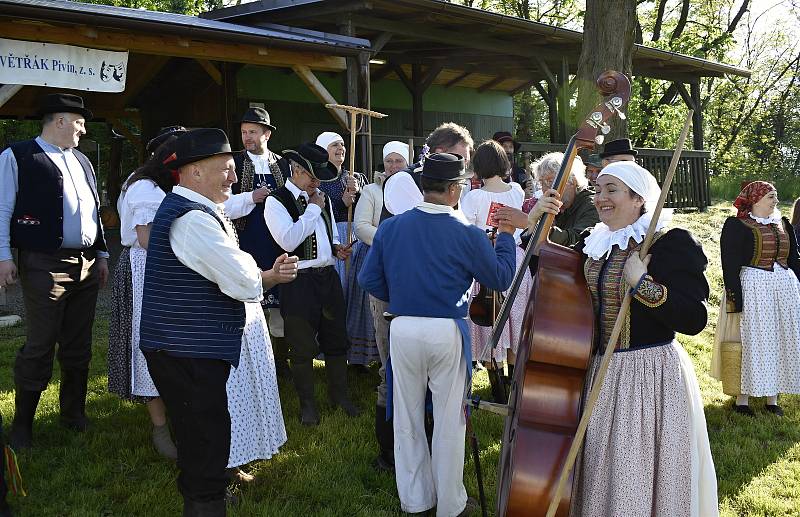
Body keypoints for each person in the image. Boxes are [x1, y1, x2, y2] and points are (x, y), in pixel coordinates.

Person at [533, 161, 716, 516]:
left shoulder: (669, 243)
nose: (600, 198)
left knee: (635, 467)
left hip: (648, 378)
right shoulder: (595, 242)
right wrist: (536, 226)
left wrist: (643, 285)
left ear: (638, 198)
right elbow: (546, 278)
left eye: (611, 190)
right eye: (598, 190)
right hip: (599, 371)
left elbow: (695, 318)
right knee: (603, 467)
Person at [138, 128, 295, 516]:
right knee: (205, 442)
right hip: (185, 350)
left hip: (183, 347)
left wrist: (252, 271)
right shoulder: (193, 220)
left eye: (232, 169)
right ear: (192, 174)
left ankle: (203, 495)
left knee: (201, 437)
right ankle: (205, 504)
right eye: (224, 169)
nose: (232, 177)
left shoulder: (198, 211)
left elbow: (234, 269)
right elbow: (241, 280)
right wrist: (264, 275)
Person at [359, 152, 516, 516]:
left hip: (403, 326)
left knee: (407, 417)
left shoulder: (391, 227)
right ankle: (450, 503)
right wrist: (506, 236)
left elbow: (370, 280)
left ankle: (415, 500)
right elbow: (501, 277)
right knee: (449, 420)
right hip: (446, 328)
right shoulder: (467, 232)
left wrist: (403, 292)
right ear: (454, 189)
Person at [0, 93, 109, 449]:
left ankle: (73, 415)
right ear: (59, 120)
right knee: (41, 342)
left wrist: (103, 254)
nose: (82, 129)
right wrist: (3, 256)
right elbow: (2, 209)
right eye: (79, 122)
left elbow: (94, 211)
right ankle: (22, 427)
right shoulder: (17, 156)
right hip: (44, 261)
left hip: (88, 263)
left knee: (79, 344)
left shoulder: (82, 161)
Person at [264, 142, 360, 426]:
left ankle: (339, 396)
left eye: (320, 178)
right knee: (302, 346)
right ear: (295, 170)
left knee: (336, 340)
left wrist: (335, 247)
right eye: (312, 176)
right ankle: (308, 405)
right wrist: (312, 210)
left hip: (328, 276)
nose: (317, 183)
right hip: (298, 280)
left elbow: (324, 231)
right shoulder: (276, 200)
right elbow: (288, 240)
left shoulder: (322, 198)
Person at [107, 126, 185, 460]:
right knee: (148, 344)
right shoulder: (143, 187)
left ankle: (178, 416)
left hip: (167, 267)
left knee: (173, 344)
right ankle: (160, 428)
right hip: (145, 270)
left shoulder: (165, 186)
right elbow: (147, 239)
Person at [714, 181, 800, 416]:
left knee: (780, 340)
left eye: (775, 196)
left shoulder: (783, 224)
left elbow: (794, 259)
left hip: (784, 291)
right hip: (754, 288)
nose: (775, 200)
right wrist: (735, 299)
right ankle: (743, 400)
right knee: (753, 341)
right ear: (756, 200)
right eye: (770, 196)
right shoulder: (736, 225)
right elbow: (729, 264)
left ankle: (773, 398)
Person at [459, 140, 532, 403]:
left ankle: (497, 388)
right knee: (515, 316)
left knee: (491, 318)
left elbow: (467, 231)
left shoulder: (474, 197)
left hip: (487, 259)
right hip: (515, 257)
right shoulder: (516, 192)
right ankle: (514, 384)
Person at [353, 140, 409, 471]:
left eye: (397, 160)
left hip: (410, 288)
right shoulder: (373, 192)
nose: (391, 166)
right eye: (387, 161)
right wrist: (389, 242)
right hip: (382, 272)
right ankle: (387, 452)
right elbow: (361, 226)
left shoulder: (415, 196)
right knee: (390, 363)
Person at [231, 107, 292, 379]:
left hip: (277, 241)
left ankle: (280, 363)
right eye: (244, 132)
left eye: (253, 132)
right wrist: (250, 198)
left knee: (280, 304)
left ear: (266, 134)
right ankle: (252, 362)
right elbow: (223, 203)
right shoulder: (233, 163)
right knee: (251, 301)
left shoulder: (283, 164)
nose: (247, 138)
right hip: (247, 240)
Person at [495, 152, 599, 248]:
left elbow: (577, 242)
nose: (545, 189)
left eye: (550, 181)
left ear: (573, 181)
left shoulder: (593, 205)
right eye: (541, 183)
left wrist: (529, 222)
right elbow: (532, 249)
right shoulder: (556, 204)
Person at [382, 122, 474, 217]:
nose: (463, 166)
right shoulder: (403, 180)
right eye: (461, 159)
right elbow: (421, 223)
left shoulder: (451, 182)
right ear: (439, 153)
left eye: (466, 161)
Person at [315, 132, 367, 284]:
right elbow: (318, 214)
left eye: (342, 144)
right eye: (334, 145)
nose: (340, 148)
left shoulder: (356, 177)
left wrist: (359, 192)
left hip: (356, 238)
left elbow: (368, 209)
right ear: (324, 150)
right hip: (333, 239)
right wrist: (341, 203)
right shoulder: (318, 180)